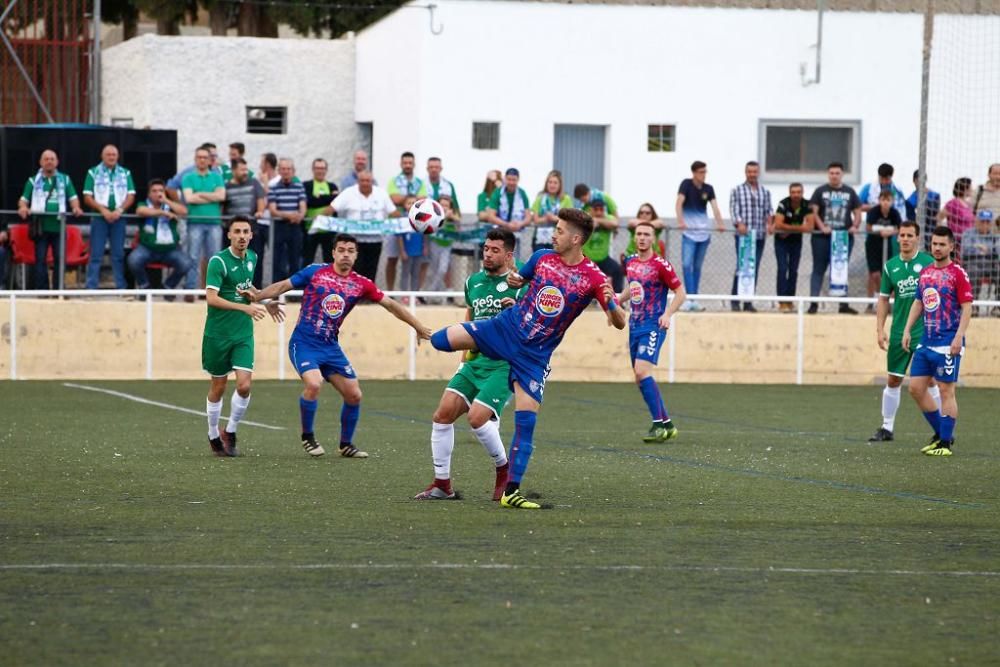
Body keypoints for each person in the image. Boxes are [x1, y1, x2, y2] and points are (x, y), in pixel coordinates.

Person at [428, 208, 627, 509]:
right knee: (440, 340)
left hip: (534, 356)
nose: (553, 234)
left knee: (526, 423)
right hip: (504, 329)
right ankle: (450, 475)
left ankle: (511, 491)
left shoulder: (594, 277)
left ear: (575, 238)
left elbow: (620, 322)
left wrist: (612, 305)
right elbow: (520, 280)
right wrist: (516, 281)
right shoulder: (542, 258)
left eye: (559, 230)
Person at [242, 233, 432, 458]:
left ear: (356, 255)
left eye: (350, 251)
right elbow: (284, 285)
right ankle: (308, 437)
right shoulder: (315, 272)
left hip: (330, 347)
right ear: (333, 253)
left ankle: (346, 445)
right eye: (341, 250)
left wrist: (418, 326)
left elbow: (390, 305)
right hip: (304, 343)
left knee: (354, 395)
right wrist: (258, 297)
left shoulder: (361, 284)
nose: (345, 255)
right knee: (314, 384)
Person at [414, 228, 521, 501]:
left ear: (509, 255)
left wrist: (516, 312)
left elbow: (532, 324)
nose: (487, 254)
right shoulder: (473, 281)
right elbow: (470, 316)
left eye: (495, 250)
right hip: (474, 364)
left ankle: (503, 471)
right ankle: (442, 485)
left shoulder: (521, 284)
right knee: (442, 415)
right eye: (486, 248)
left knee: (476, 419)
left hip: (503, 364)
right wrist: (463, 359)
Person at [202, 216, 283, 457]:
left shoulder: (253, 258)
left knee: (245, 385)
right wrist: (245, 308)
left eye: (246, 231)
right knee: (218, 386)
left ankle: (231, 430)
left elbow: (247, 291)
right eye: (237, 231)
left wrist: (265, 301)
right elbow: (212, 298)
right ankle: (212, 433)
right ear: (229, 234)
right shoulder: (218, 261)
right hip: (217, 334)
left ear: (251, 235)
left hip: (243, 333)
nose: (242, 236)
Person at [902, 226, 974, 457]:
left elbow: (967, 307)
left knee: (945, 390)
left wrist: (958, 336)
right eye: (934, 244)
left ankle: (945, 444)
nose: (937, 248)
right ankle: (941, 433)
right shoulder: (925, 273)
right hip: (926, 340)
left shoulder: (957, 274)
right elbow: (918, 303)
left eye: (942, 244)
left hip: (948, 342)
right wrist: (907, 330)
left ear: (951, 247)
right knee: (915, 388)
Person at [869, 221, 937, 443]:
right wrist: (880, 330)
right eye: (902, 235)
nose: (905, 239)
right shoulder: (891, 266)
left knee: (930, 381)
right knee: (893, 380)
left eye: (910, 235)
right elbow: (883, 300)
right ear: (897, 238)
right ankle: (886, 428)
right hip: (899, 331)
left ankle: (942, 427)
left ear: (918, 238)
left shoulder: (929, 263)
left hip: (925, 331)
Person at [618, 221, 686, 443]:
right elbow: (633, 287)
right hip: (634, 325)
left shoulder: (661, 265)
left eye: (647, 234)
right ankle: (667, 425)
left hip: (653, 324)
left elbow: (680, 293)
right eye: (638, 234)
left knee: (641, 372)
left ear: (654, 239)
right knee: (640, 377)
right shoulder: (630, 262)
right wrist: (619, 298)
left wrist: (667, 314)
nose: (642, 238)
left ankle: (658, 426)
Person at [16, 149, 83, 290]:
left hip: (59, 227)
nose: (49, 161)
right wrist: (23, 208)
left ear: (57, 162)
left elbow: (73, 199)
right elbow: (23, 201)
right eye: (46, 159)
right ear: (41, 162)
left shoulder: (65, 179)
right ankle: (42, 291)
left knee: (60, 260)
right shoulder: (33, 181)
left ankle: (59, 291)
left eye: (52, 159)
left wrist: (76, 208)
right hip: (41, 228)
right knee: (40, 261)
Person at [808, 162, 862, 314]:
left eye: (837, 173)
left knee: (840, 269)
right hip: (822, 238)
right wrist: (821, 226)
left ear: (842, 174)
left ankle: (843, 305)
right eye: (831, 173)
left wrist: (855, 225)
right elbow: (814, 212)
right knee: (818, 269)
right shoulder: (820, 191)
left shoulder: (850, 191)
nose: (834, 176)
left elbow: (858, 210)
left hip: (842, 239)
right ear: (828, 174)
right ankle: (813, 303)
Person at [324, 170, 397, 282]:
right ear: (358, 181)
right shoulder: (348, 192)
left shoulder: (381, 193)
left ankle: (368, 297)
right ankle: (354, 297)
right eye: (362, 180)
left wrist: (404, 222)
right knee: (354, 271)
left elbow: (394, 213)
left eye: (367, 180)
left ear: (372, 181)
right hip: (354, 241)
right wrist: (320, 219)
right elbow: (332, 208)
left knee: (371, 271)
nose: (365, 183)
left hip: (375, 240)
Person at [82, 144, 136, 290]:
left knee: (118, 254)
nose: (111, 157)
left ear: (118, 156)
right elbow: (87, 196)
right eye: (108, 155)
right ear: (102, 156)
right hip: (99, 218)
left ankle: (121, 288)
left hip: (119, 218)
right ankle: (91, 288)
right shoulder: (93, 172)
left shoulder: (125, 173)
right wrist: (102, 210)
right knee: (96, 254)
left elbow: (131, 195)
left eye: (114, 155)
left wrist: (119, 210)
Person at [675, 161, 725, 312]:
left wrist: (720, 223)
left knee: (697, 267)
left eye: (705, 172)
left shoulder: (709, 189)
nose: (704, 175)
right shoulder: (686, 184)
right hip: (689, 233)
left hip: (703, 234)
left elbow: (715, 207)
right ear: (694, 173)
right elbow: (679, 203)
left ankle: (694, 299)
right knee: (686, 265)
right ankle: (688, 297)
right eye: (701, 172)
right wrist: (681, 221)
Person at [129, 179, 195, 293]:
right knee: (133, 260)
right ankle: (144, 287)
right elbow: (140, 211)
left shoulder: (170, 206)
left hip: (170, 250)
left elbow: (184, 211)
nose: (157, 193)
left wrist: (166, 201)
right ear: (149, 194)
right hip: (147, 248)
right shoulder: (144, 204)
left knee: (186, 263)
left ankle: (168, 287)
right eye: (154, 191)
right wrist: (162, 213)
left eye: (160, 190)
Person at [728, 160, 773, 312]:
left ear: (758, 173)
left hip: (759, 235)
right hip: (743, 236)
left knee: (754, 267)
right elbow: (734, 210)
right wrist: (739, 223)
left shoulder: (765, 192)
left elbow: (769, 211)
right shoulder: (737, 190)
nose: (752, 174)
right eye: (749, 171)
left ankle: (748, 301)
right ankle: (735, 299)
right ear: (745, 172)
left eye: (755, 172)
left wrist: (770, 223)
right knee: (742, 266)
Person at [182, 146, 227, 295]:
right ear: (195, 160)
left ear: (209, 160)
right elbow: (189, 198)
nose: (202, 160)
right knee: (192, 257)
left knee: (214, 259)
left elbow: (222, 197)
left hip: (214, 223)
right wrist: (211, 195)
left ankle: (214, 292)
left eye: (204, 157)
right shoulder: (188, 177)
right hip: (194, 222)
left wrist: (200, 194)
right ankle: (190, 290)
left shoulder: (217, 177)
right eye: (199, 157)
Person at [386, 152, 427, 290]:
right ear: (401, 164)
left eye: (410, 163)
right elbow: (394, 199)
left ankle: (414, 294)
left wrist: (406, 199)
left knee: (414, 265)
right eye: (405, 163)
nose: (408, 165)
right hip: (396, 224)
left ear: (414, 164)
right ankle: (391, 291)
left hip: (414, 224)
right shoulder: (394, 181)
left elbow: (422, 200)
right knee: (392, 259)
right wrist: (411, 199)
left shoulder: (419, 182)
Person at [772, 183, 813, 312]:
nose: (796, 195)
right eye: (793, 192)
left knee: (794, 270)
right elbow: (778, 224)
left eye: (798, 192)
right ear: (789, 193)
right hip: (781, 241)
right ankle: (782, 301)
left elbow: (810, 226)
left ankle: (790, 300)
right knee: (782, 269)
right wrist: (799, 228)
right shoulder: (783, 203)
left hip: (796, 241)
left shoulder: (807, 204)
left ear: (802, 192)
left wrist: (789, 229)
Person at [268, 158, 307, 282]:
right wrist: (290, 216)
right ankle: (276, 290)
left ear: (293, 171)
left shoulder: (299, 187)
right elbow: (273, 210)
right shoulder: (273, 188)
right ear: (279, 170)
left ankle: (293, 291)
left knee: (295, 259)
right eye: (283, 169)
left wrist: (299, 216)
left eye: (288, 169)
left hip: (295, 227)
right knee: (278, 260)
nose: (286, 171)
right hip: (279, 227)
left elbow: (303, 207)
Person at [864, 189, 903, 311]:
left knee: (888, 274)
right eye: (883, 200)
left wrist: (890, 232)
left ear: (892, 201)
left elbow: (900, 228)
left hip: (888, 246)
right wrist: (880, 231)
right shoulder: (874, 212)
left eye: (888, 200)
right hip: (873, 245)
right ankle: (873, 302)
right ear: (879, 200)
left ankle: (885, 302)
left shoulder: (894, 213)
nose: (885, 203)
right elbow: (868, 227)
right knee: (874, 274)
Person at [302, 158, 340, 265]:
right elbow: (309, 201)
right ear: (313, 169)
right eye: (317, 168)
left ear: (326, 170)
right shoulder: (306, 185)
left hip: (328, 230)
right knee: (306, 260)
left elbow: (336, 203)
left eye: (322, 168)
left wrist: (319, 197)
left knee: (330, 261)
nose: (320, 171)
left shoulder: (332, 186)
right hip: (310, 229)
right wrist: (328, 198)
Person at [582, 197, 624, 291]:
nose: (599, 212)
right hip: (587, 259)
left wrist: (599, 221)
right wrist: (591, 223)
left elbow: (615, 223)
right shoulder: (585, 218)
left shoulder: (607, 218)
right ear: (590, 209)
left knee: (617, 270)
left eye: (601, 209)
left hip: (603, 258)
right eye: (596, 209)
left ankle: (617, 298)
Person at [959, 211, 998, 306]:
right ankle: (972, 306)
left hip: (990, 265)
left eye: (987, 222)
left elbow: (997, 252)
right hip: (972, 263)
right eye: (982, 221)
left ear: (991, 223)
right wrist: (984, 251)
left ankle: (997, 308)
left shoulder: (994, 236)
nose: (985, 224)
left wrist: (985, 249)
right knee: (973, 272)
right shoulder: (968, 233)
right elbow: (966, 251)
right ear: (977, 222)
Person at [485, 168, 533, 242]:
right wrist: (507, 224)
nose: (511, 182)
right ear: (505, 178)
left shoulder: (522, 193)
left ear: (518, 180)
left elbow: (528, 216)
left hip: (517, 233)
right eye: (509, 179)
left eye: (514, 180)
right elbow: (491, 216)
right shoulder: (497, 192)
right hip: (499, 233)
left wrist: (519, 224)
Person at [530, 170, 572, 252]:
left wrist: (555, 218)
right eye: (550, 182)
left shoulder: (566, 199)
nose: (552, 185)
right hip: (540, 239)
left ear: (560, 185)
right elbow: (535, 220)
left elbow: (569, 219)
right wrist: (545, 219)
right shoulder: (540, 198)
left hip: (558, 239)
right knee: (540, 262)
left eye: (555, 183)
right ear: (546, 184)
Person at [937, 177, 974, 255]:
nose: (972, 189)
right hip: (956, 243)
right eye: (971, 187)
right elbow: (939, 218)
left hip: (968, 241)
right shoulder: (953, 203)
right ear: (965, 188)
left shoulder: (969, 204)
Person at [905, 169, 940, 247]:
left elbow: (937, 215)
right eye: (917, 180)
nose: (920, 182)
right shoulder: (910, 200)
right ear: (914, 181)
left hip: (932, 232)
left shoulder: (935, 196)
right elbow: (911, 219)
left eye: (923, 179)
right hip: (919, 234)